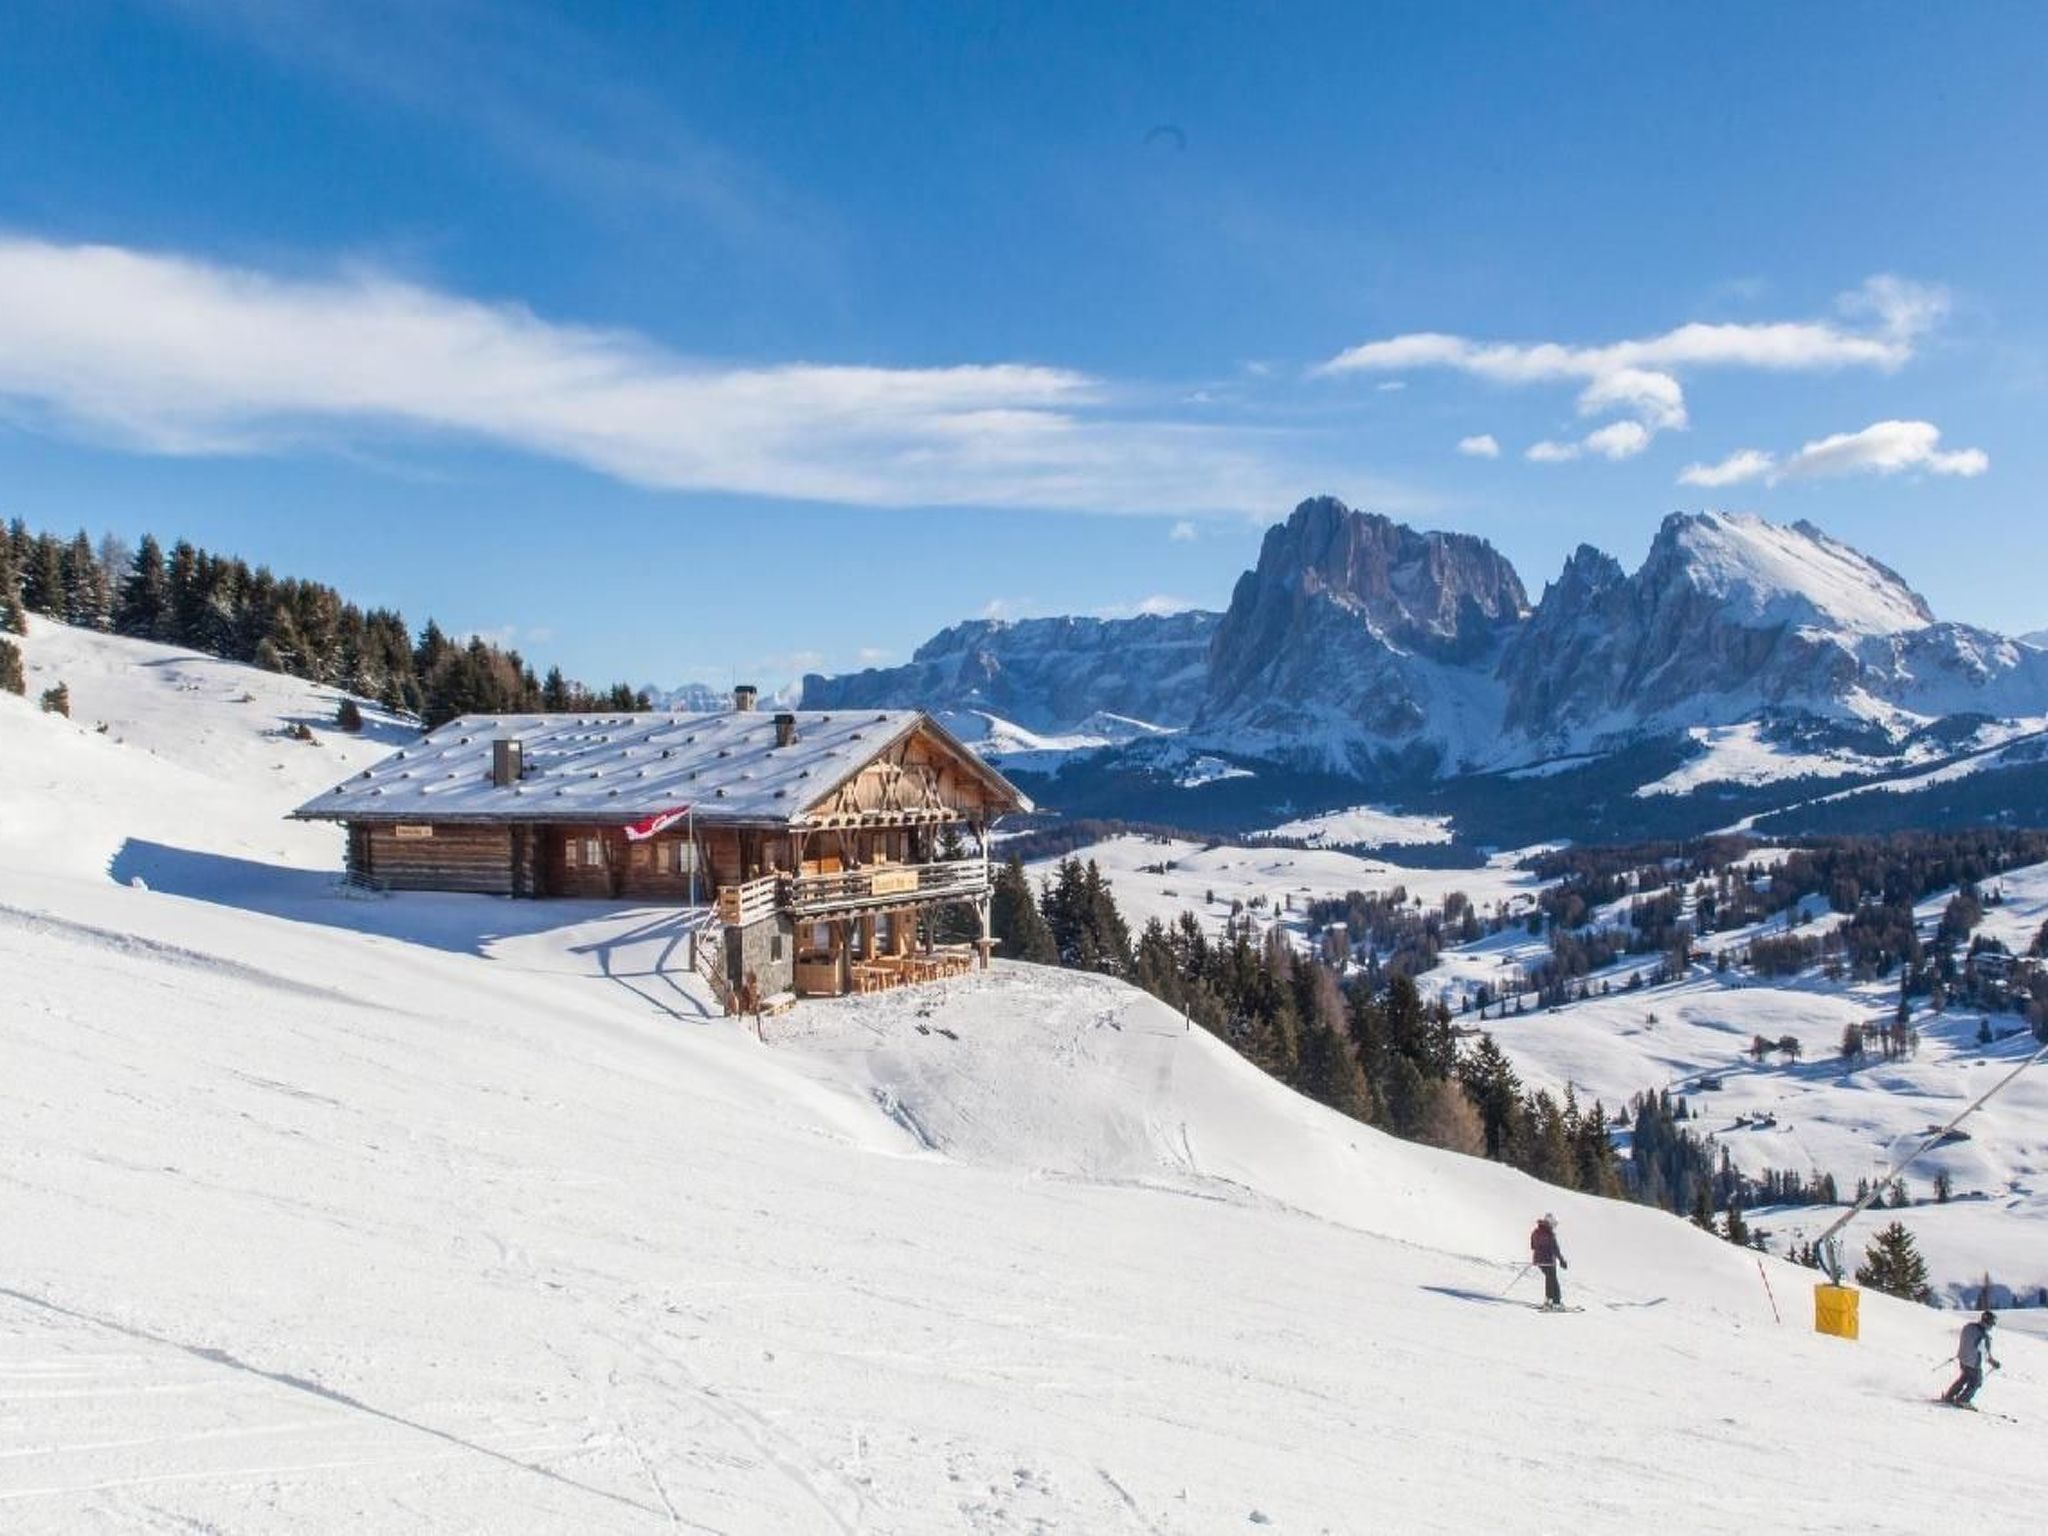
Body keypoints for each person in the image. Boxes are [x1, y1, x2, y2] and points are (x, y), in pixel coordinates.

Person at [1942, 1311, 2001, 1407]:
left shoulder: (1969, 1327)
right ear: (1989, 1322)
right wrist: (1994, 1363)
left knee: (1964, 1378)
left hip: (1962, 1359)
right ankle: (1963, 1400)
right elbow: (1986, 1355)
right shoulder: (1984, 1336)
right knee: (1976, 1382)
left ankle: (1949, 1396)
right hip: (1973, 1363)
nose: (1992, 1326)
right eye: (1992, 1324)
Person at [1530, 1213, 1568, 1309]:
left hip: (1538, 1260)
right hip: (1548, 1260)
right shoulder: (1549, 1234)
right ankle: (1556, 1302)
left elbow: (1533, 1246)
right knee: (1553, 1280)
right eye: (1553, 1225)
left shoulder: (1536, 1231)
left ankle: (1548, 1300)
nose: (1553, 1227)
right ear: (1549, 1223)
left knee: (1549, 1278)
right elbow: (1555, 1249)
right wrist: (1561, 1260)